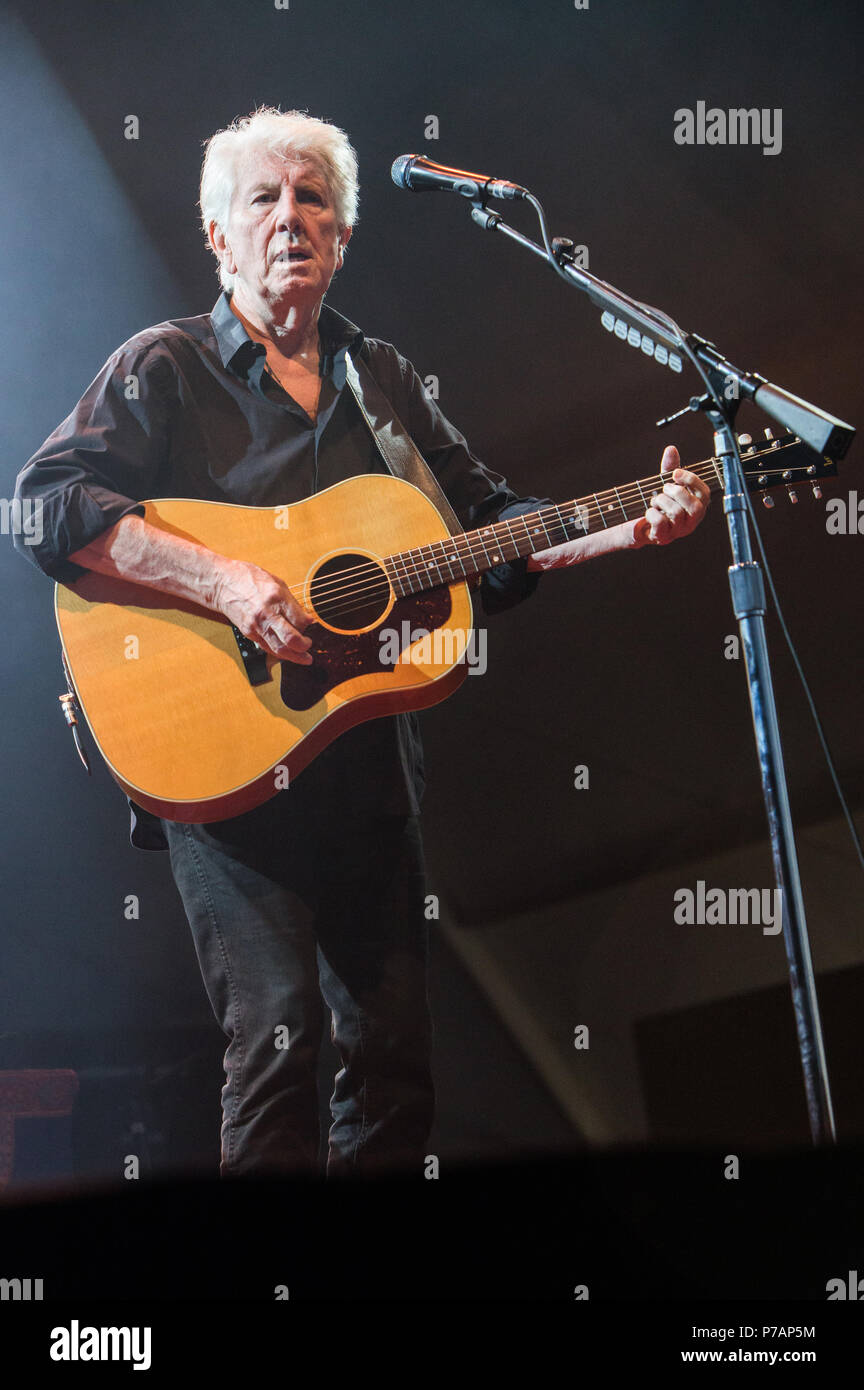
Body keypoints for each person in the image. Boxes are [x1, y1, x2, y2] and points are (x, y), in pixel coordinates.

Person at [13, 108, 710, 1179]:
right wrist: (229, 581)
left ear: (342, 237)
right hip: (222, 756)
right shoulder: (165, 364)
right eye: (264, 198)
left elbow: (490, 535)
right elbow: (48, 505)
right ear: (216, 232)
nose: (290, 218)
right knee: (279, 1044)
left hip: (366, 763)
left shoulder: (378, 376)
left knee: (391, 1065)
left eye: (313, 200)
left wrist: (630, 523)